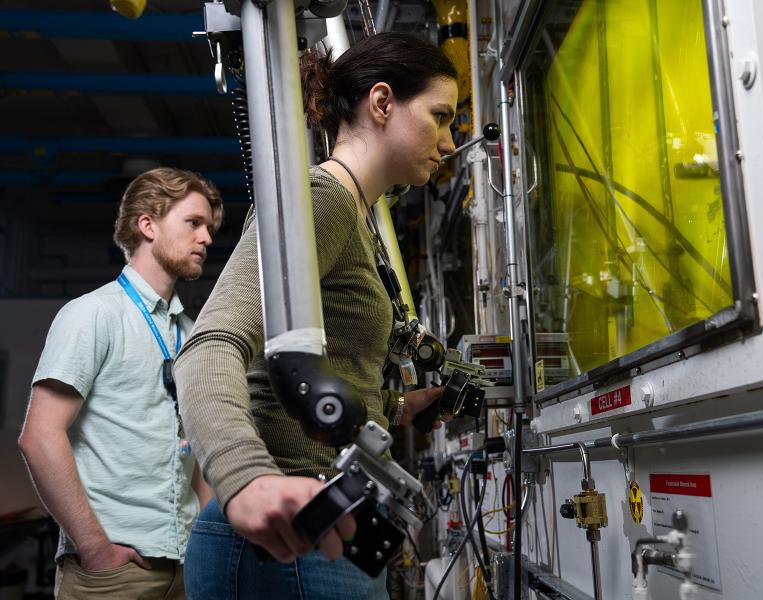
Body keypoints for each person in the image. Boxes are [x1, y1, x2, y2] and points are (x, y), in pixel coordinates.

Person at [173, 32, 458, 599]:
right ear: (382, 103)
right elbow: (208, 349)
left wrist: (398, 408)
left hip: (326, 522)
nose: (449, 142)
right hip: (290, 531)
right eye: (440, 116)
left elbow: (310, 368)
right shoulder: (321, 199)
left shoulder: (357, 213)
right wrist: (246, 478)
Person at [18, 167, 223, 600]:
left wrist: (208, 545)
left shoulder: (190, 331)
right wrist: (94, 548)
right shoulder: (93, 315)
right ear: (146, 225)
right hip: (113, 572)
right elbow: (39, 436)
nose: (206, 238)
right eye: (193, 223)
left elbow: (195, 448)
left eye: (209, 227)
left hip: (186, 568)